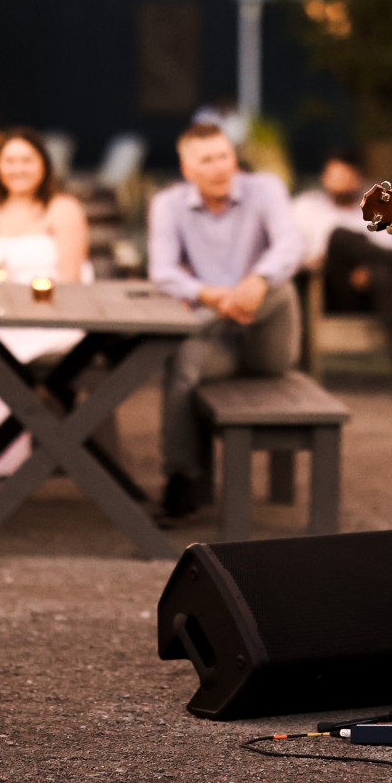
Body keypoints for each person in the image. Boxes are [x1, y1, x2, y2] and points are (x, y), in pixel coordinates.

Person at [148, 122, 304, 522]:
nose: (219, 167)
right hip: (215, 336)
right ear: (187, 169)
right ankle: (181, 477)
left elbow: (290, 244)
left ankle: (240, 295)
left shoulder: (265, 189)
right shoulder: (168, 203)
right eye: (206, 160)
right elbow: (162, 271)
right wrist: (211, 295)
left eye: (223, 156)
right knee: (182, 360)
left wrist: (256, 281)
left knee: (279, 285)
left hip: (267, 340)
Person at [0, 129, 90, 473]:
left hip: (53, 317)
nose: (18, 168)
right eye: (10, 160)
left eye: (27, 160)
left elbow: (72, 278)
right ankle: (2, 463)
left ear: (43, 165)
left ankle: (16, 461)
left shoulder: (62, 208)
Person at [292, 149, 392, 403]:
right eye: (331, 175)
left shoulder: (378, 209)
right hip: (329, 288)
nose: (335, 182)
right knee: (339, 236)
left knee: (382, 274)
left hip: (375, 290)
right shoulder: (306, 207)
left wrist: (367, 268)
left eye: (343, 176)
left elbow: (387, 251)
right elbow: (290, 249)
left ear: (358, 179)